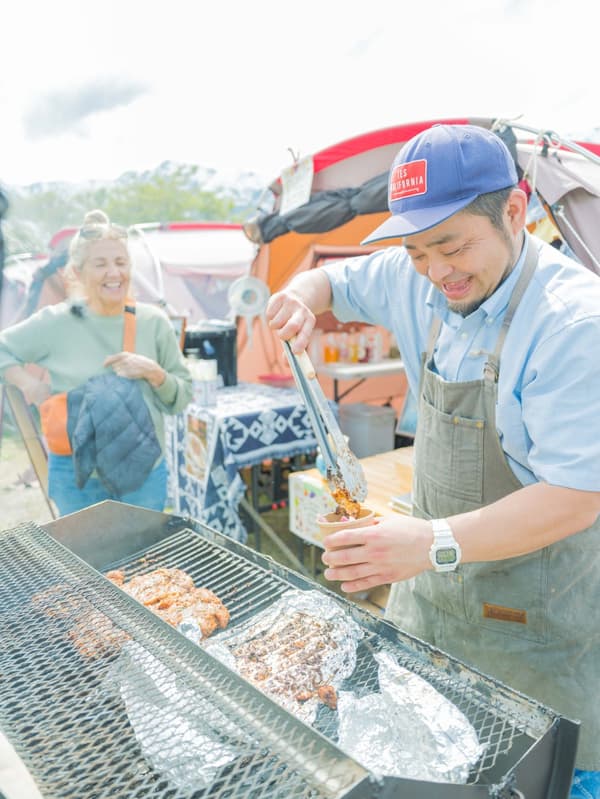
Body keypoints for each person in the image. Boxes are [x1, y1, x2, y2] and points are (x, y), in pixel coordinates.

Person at [266, 124, 600, 795]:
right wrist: (299, 297)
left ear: (515, 211)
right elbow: (334, 279)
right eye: (416, 250)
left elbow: (578, 493)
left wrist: (432, 542)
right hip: (429, 611)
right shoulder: (416, 276)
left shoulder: (573, 324)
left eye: (451, 246)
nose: (435, 271)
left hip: (535, 629)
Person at [0, 209, 193, 515]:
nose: (114, 273)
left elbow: (181, 398)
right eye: (100, 264)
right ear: (76, 272)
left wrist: (154, 373)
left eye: (120, 262)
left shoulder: (153, 322)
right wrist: (28, 384)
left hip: (142, 474)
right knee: (80, 560)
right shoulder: (55, 322)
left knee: (143, 557)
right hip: (76, 478)